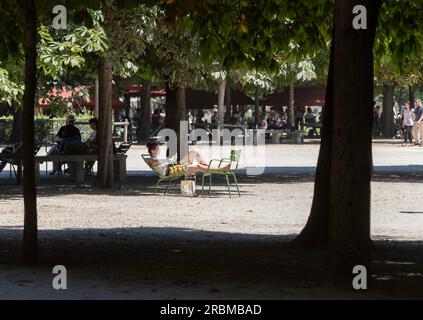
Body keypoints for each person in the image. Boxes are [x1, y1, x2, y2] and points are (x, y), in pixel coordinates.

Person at [146, 142, 229, 176]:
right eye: (158, 149)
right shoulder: (151, 160)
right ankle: (219, 169)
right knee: (198, 166)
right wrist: (169, 160)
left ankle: (208, 168)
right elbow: (156, 163)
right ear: (153, 150)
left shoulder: (156, 158)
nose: (159, 150)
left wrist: (171, 159)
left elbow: (163, 162)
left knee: (194, 151)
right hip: (172, 170)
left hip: (175, 165)